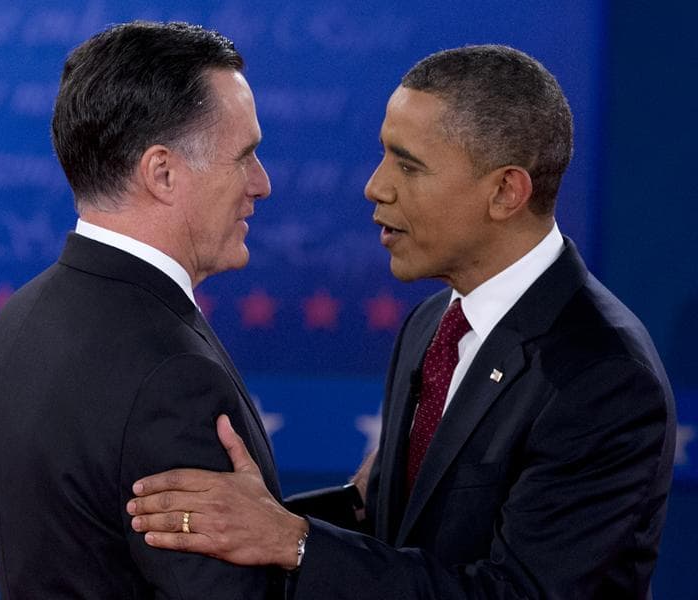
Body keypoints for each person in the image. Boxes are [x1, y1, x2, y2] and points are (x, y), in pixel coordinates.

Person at [126, 45, 676, 599]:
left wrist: (292, 541)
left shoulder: (601, 377)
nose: (376, 186)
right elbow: (396, 529)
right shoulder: (433, 324)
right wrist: (245, 521)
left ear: (506, 192)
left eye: (408, 165)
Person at [0, 21, 285, 598]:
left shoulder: (21, 317)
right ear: (162, 172)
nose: (261, 184)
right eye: (245, 156)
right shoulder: (172, 376)